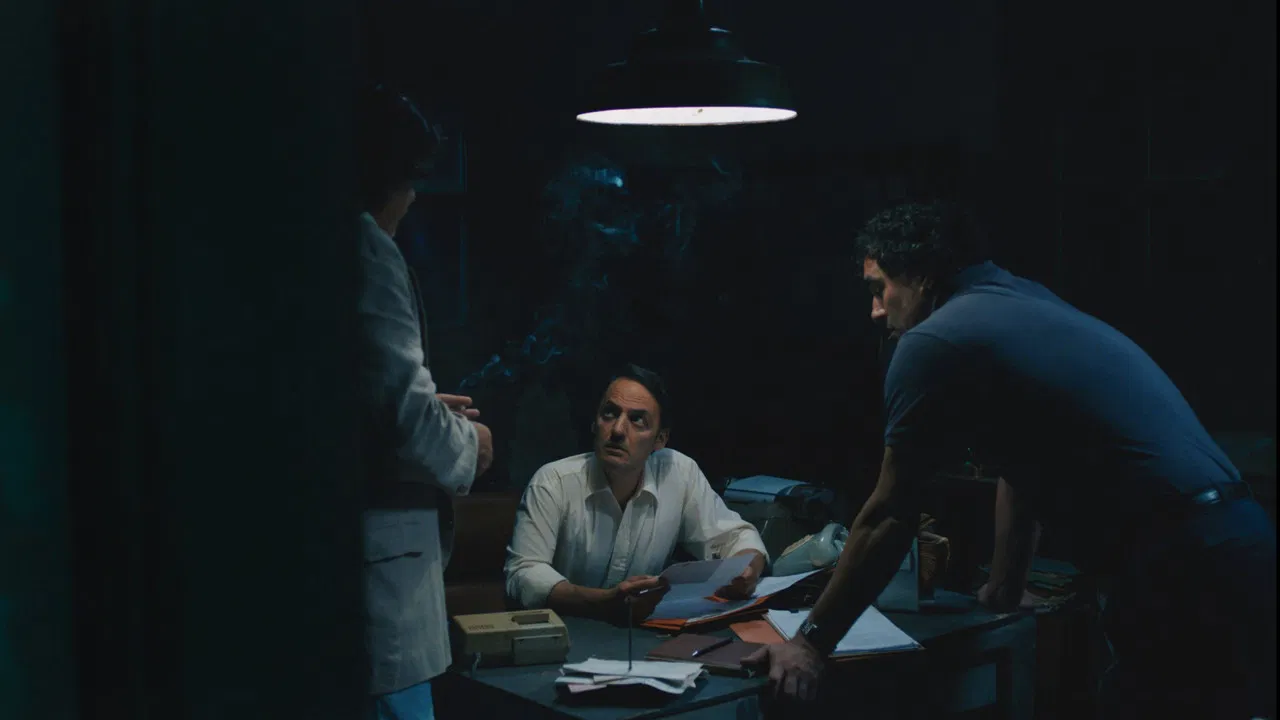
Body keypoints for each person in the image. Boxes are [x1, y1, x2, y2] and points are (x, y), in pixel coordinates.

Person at [745, 201, 1276, 719]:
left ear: (922, 277)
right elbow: (1023, 460)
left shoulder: (933, 340)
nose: (876, 311)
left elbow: (889, 514)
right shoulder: (1025, 302)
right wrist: (1005, 584)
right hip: (1241, 540)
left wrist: (810, 643)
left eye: (879, 288)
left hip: (1177, 562)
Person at [356, 84, 495, 720]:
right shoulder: (366, 249)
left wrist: (423, 406)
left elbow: (375, 395)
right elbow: (406, 417)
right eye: (411, 183)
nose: (412, 202)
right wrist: (470, 443)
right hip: (378, 585)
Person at [504, 364, 768, 623]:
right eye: (609, 414)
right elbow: (524, 573)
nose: (618, 430)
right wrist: (603, 603)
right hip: (563, 632)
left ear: (660, 439)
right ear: (594, 423)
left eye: (637, 420)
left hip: (641, 637)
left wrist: (747, 572)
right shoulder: (553, 482)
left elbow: (736, 537)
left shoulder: (678, 472)